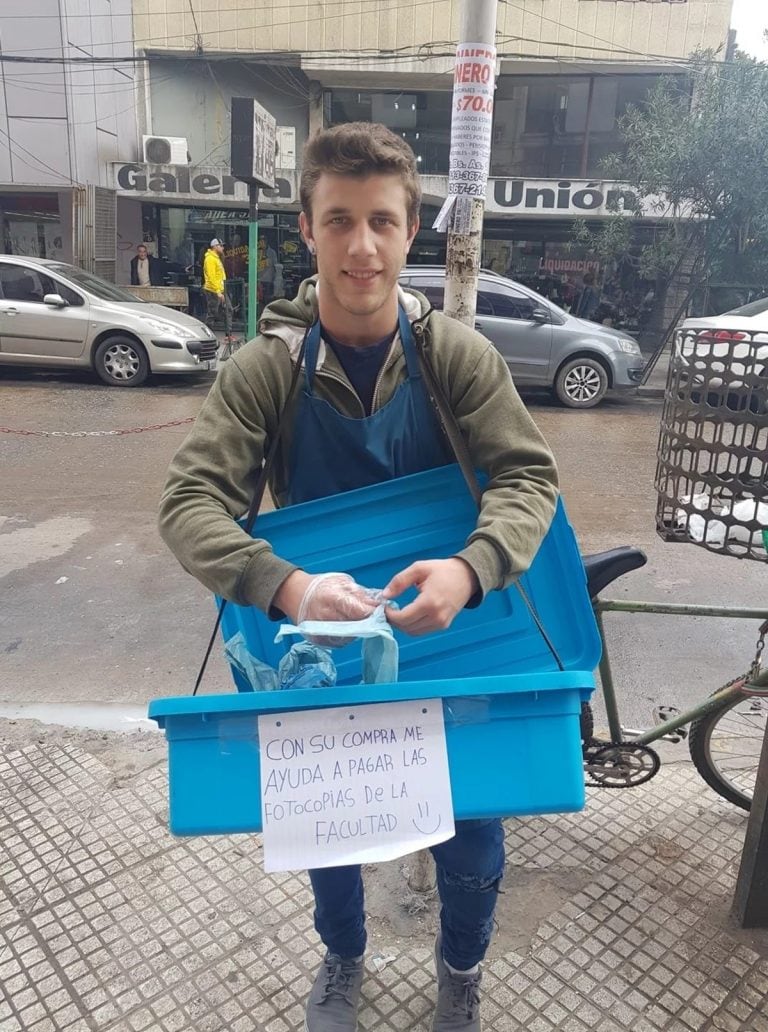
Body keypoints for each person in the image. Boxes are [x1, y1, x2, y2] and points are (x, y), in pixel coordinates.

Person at [158, 122, 558, 1032]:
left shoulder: (455, 354)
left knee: (472, 826)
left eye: (382, 221)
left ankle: (462, 967)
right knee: (327, 829)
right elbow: (186, 507)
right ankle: (343, 957)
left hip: (453, 640)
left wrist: (470, 569)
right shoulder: (266, 371)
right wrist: (290, 588)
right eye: (340, 220)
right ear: (308, 228)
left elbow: (529, 478)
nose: (362, 247)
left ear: (410, 230)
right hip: (321, 655)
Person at [202, 237, 234, 339]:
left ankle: (228, 335)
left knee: (228, 309)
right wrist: (218, 292)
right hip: (213, 290)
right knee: (212, 313)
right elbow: (211, 277)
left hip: (220, 289)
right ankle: (206, 335)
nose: (223, 248)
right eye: (221, 246)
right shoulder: (210, 259)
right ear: (215, 246)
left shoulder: (216, 258)